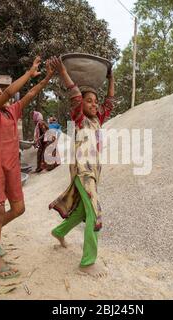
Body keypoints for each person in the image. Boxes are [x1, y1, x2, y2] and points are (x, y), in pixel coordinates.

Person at [0, 56, 55, 279]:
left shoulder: (11, 112)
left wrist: (46, 77)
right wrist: (28, 72)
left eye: (1, 93)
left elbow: (30, 94)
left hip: (12, 166)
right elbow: (10, 93)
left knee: (19, 209)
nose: (3, 95)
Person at [49, 56, 114, 278]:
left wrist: (111, 77)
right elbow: (75, 94)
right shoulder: (79, 119)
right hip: (83, 172)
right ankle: (87, 263)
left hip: (93, 173)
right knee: (95, 214)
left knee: (81, 211)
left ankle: (59, 232)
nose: (94, 104)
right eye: (89, 101)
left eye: (95, 101)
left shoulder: (98, 119)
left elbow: (110, 103)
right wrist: (62, 72)